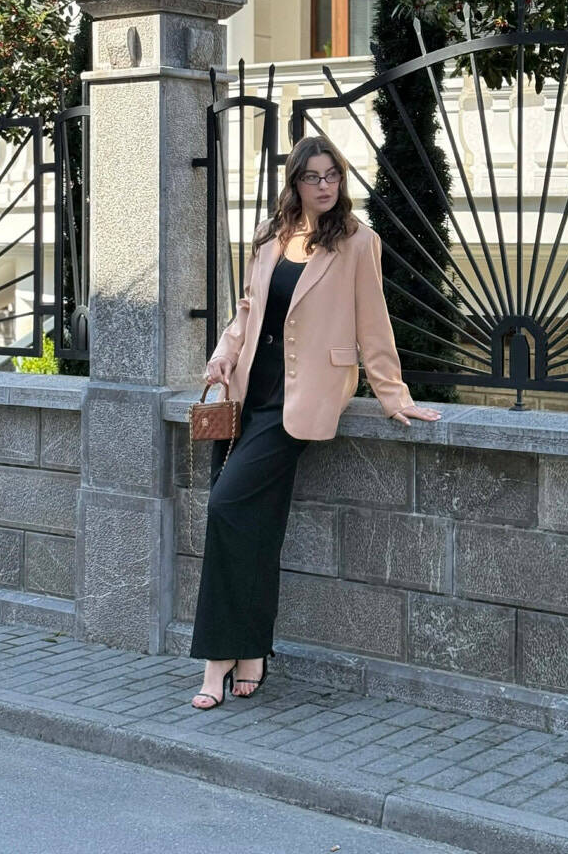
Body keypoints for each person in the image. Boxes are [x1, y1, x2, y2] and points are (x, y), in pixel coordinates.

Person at [189, 134, 442, 709]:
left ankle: (216, 660)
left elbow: (374, 323)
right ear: (295, 182)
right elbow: (247, 312)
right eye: (313, 176)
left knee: (226, 507)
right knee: (254, 527)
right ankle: (250, 652)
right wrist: (223, 354)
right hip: (249, 392)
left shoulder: (357, 242)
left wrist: (393, 395)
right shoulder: (270, 236)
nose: (325, 185)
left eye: (333, 175)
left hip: (301, 401)